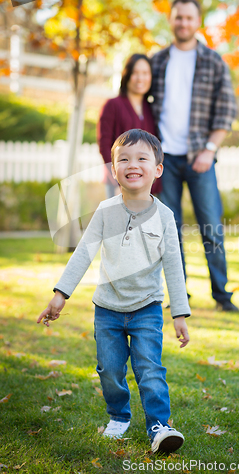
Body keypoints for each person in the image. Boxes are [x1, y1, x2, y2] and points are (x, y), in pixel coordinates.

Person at [37, 129, 190, 454]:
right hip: (106, 309)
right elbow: (83, 254)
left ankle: (160, 426)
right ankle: (118, 415)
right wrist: (60, 294)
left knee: (149, 368)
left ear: (158, 169)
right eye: (124, 158)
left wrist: (179, 313)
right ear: (113, 169)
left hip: (147, 307)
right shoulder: (106, 211)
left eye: (141, 158)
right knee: (110, 369)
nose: (132, 164)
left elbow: (174, 267)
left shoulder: (164, 216)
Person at [151, 0, 239, 312]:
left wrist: (209, 149)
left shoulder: (213, 61)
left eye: (189, 18)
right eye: (178, 17)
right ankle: (179, 295)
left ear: (198, 21)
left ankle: (221, 295)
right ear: (171, 20)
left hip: (200, 158)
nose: (183, 23)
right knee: (169, 232)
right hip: (164, 160)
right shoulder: (157, 61)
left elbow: (226, 111)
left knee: (211, 227)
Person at [98, 54, 161, 198]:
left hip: (148, 185)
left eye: (145, 73)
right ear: (127, 75)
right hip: (119, 182)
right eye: (135, 73)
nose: (140, 78)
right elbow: (105, 145)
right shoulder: (112, 105)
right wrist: (117, 180)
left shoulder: (151, 108)